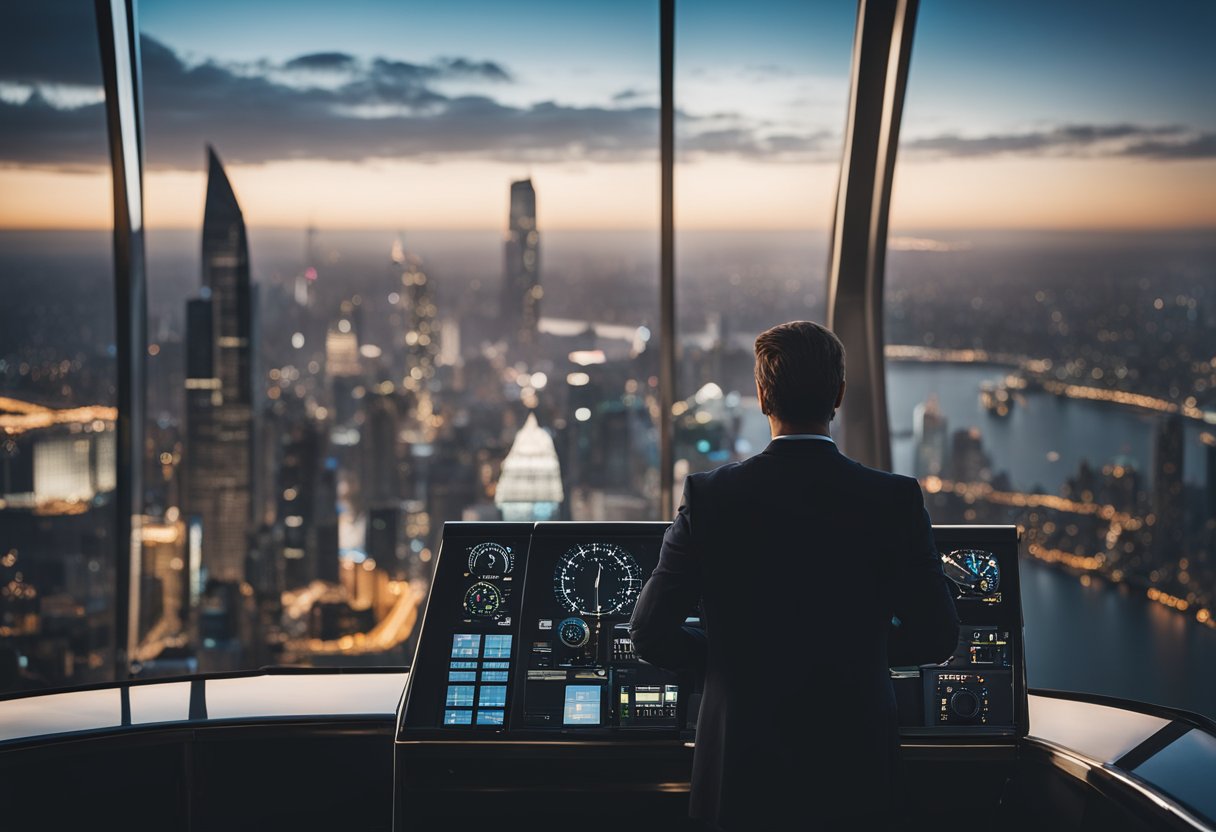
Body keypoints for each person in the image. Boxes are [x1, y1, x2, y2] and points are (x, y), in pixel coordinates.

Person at [629, 320, 959, 830]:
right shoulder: (894, 500)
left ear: (762, 397)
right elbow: (937, 635)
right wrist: (853, 649)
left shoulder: (710, 497)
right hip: (857, 766)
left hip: (739, 767)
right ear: (840, 395)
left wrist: (727, 655)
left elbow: (649, 632)